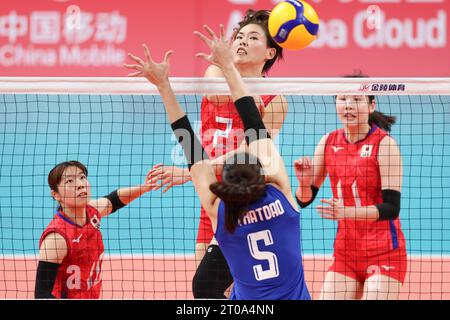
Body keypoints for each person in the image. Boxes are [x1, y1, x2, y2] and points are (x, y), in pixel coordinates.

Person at [123, 23, 310, 299]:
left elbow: (245, 149)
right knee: (206, 284)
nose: (243, 41)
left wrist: (164, 85)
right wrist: (231, 69)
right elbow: (252, 132)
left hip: (220, 195)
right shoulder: (283, 195)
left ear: (270, 52)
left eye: (253, 37)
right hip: (223, 190)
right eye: (240, 36)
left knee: (210, 285)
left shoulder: (275, 99)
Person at [294, 74, 407, 300]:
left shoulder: (384, 145)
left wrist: (346, 212)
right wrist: (304, 183)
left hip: (384, 251)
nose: (348, 105)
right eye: (343, 98)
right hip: (346, 252)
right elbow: (304, 200)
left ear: (371, 105)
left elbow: (391, 209)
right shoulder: (327, 142)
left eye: (356, 99)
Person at [35, 161, 154, 299]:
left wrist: (144, 188)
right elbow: (41, 295)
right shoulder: (56, 238)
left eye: (82, 177)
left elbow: (114, 200)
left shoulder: (92, 212)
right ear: (56, 195)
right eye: (69, 181)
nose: (80, 184)